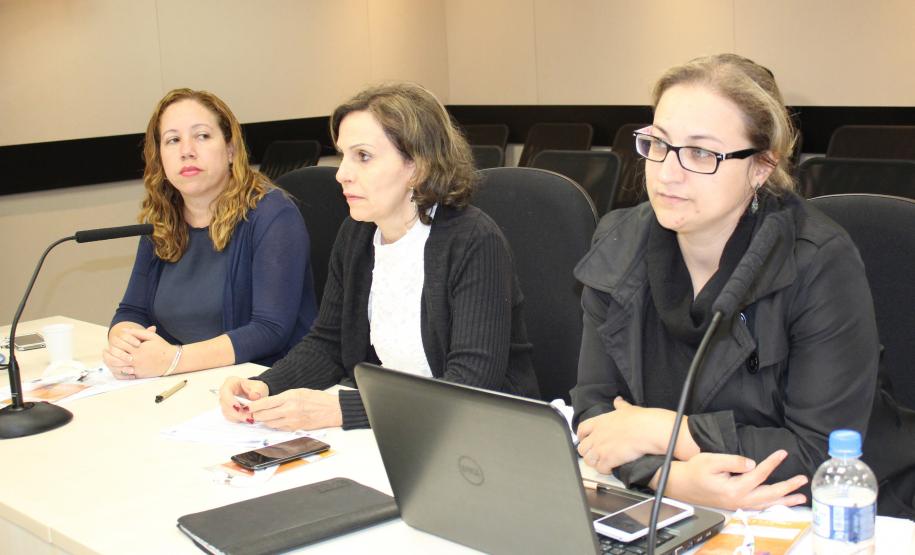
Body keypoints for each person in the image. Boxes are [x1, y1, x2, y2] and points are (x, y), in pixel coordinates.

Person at [571, 54, 879, 511]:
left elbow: (820, 453)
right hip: (676, 506)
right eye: (658, 144)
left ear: (762, 167)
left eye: (701, 153)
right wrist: (669, 479)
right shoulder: (619, 242)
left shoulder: (819, 262)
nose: (667, 173)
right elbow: (595, 416)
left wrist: (665, 431)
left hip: (821, 516)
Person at [218, 83, 539, 430]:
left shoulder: (473, 240)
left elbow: (470, 385)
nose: (342, 173)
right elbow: (329, 343)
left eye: (363, 156)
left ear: (418, 166)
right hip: (398, 426)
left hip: (485, 432)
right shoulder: (357, 233)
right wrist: (266, 385)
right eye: (343, 155)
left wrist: (344, 411)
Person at [105, 88, 317, 379]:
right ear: (159, 157)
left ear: (231, 149)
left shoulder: (272, 214)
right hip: (187, 380)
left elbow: (270, 330)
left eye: (202, 136)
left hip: (263, 383)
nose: (186, 150)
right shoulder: (162, 220)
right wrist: (124, 342)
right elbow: (132, 311)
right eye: (173, 140)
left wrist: (173, 360)